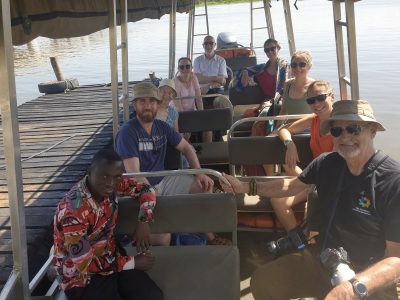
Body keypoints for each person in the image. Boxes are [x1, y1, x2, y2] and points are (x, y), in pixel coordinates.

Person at [221, 100, 400, 299]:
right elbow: (290, 186)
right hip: (326, 259)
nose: (345, 137)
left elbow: (395, 259)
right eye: (337, 131)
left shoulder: (393, 182)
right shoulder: (326, 163)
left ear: (372, 130)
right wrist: (246, 186)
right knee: (264, 281)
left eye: (353, 129)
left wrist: (353, 288)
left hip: (370, 274)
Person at [115, 82, 229, 246]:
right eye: (142, 101)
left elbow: (187, 148)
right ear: (134, 105)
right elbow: (136, 175)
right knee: (163, 238)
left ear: (157, 103)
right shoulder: (128, 132)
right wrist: (155, 199)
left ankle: (209, 236)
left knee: (204, 185)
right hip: (138, 190)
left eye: (152, 101)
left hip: (163, 180)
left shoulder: (162, 127)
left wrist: (199, 172)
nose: (148, 106)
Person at [53, 149, 162, 300]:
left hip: (111, 256)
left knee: (152, 296)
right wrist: (132, 262)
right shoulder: (72, 211)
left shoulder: (112, 184)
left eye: (116, 177)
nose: (110, 183)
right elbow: (84, 264)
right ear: (90, 172)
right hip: (81, 277)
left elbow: (146, 189)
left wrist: (143, 221)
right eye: (104, 176)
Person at [270, 80, 335, 231]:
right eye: (311, 100)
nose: (316, 104)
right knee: (277, 201)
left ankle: (309, 241)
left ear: (332, 96)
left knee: (311, 210)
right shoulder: (314, 119)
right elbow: (284, 129)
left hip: (331, 183)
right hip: (315, 179)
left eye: (321, 98)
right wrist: (290, 144)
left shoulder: (340, 126)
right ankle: (298, 242)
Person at [261, 50, 315, 176]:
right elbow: (284, 110)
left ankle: (302, 183)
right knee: (264, 146)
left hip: (308, 128)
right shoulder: (288, 84)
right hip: (288, 128)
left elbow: (320, 111)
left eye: (302, 64)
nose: (298, 68)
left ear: (309, 66)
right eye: (294, 65)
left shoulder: (314, 86)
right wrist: (276, 128)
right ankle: (272, 179)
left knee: (286, 159)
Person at [234, 38, 288, 116]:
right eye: (266, 50)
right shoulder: (261, 70)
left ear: (278, 48)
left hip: (283, 100)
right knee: (247, 115)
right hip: (268, 102)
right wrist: (245, 71)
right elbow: (244, 82)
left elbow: (287, 85)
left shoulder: (285, 67)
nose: (270, 52)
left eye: (272, 49)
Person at [173, 57, 212, 142]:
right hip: (178, 113)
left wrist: (201, 113)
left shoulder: (194, 77)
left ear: (191, 68)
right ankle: (185, 152)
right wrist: (187, 124)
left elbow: (198, 98)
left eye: (187, 66)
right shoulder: (176, 82)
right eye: (182, 67)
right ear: (178, 69)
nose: (185, 69)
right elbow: (178, 106)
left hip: (191, 110)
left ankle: (207, 148)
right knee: (184, 134)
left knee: (208, 126)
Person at [193, 35, 233, 113]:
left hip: (216, 91)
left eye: (211, 43)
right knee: (197, 104)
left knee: (223, 103)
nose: (208, 45)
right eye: (206, 43)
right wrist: (215, 78)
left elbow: (222, 81)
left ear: (215, 45)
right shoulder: (197, 60)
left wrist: (209, 86)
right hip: (201, 92)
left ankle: (228, 123)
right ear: (203, 45)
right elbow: (198, 79)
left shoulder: (221, 60)